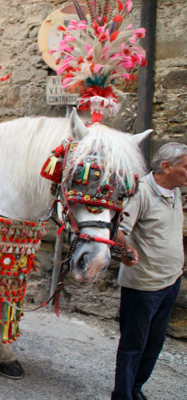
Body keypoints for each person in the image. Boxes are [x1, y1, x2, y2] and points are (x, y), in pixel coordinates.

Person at [111, 142, 187, 400]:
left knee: (154, 343)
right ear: (166, 166)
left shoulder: (174, 191)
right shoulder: (141, 191)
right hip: (143, 285)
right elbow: (120, 231)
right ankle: (122, 395)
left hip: (170, 280)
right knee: (134, 345)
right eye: (185, 167)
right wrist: (127, 250)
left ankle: (135, 389)